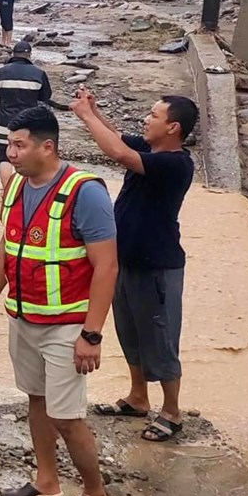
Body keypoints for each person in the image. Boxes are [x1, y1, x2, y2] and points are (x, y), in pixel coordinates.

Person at [0, 106, 117, 496]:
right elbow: (9, 245)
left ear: (47, 146)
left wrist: (91, 334)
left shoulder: (85, 192)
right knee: (37, 401)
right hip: (25, 318)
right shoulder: (17, 187)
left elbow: (107, 267)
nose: (11, 153)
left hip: (68, 325)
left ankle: (96, 495)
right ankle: (47, 481)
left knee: (66, 415)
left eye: (19, 145)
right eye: (8, 145)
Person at [73, 90, 198, 443]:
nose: (146, 119)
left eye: (153, 115)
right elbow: (117, 140)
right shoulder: (150, 151)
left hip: (157, 266)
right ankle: (138, 397)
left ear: (172, 127)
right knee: (130, 332)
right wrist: (96, 113)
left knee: (160, 337)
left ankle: (171, 411)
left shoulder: (175, 164)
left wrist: (85, 116)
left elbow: (116, 152)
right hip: (126, 261)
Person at [0, 41, 51, 189]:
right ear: (29, 55)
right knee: (27, 155)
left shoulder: (1, 72)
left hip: (5, 123)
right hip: (28, 123)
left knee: (4, 157)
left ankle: (7, 192)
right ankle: (26, 192)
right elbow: (45, 96)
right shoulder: (38, 73)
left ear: (13, 54)